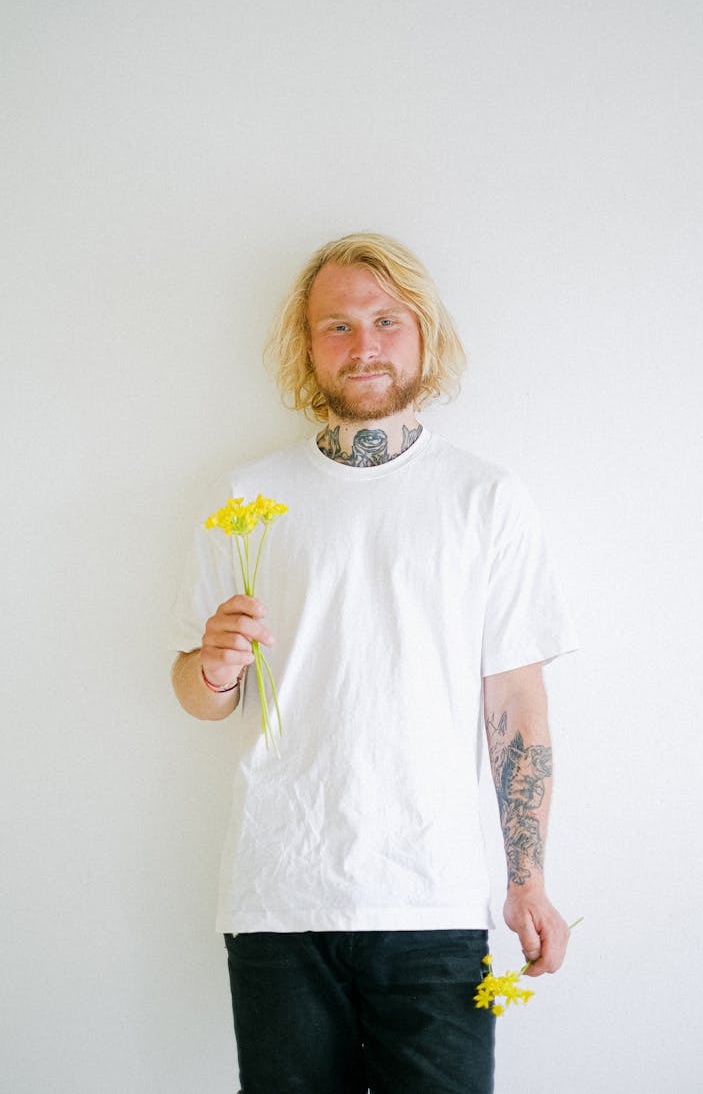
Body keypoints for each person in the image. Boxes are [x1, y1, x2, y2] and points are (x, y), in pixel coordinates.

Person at [169, 232, 578, 1094]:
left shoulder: (485, 499)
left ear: (423, 333)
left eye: (387, 321)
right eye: (338, 326)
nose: (365, 346)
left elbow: (516, 702)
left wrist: (528, 883)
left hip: (432, 904)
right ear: (308, 346)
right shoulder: (247, 498)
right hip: (279, 900)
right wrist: (210, 667)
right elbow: (202, 695)